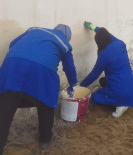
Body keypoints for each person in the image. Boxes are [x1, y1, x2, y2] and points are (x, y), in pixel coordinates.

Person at [0, 24, 78, 153]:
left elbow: (13, 43)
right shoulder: (63, 43)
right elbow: (69, 68)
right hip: (41, 74)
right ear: (67, 37)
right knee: (46, 104)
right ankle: (45, 140)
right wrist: (73, 84)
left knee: (5, 108)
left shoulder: (34, 30)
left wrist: (21, 56)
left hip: (12, 68)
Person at [80, 22, 133, 118]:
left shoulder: (104, 54)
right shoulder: (120, 44)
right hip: (131, 88)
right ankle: (122, 100)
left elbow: (94, 74)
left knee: (95, 98)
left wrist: (81, 86)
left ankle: (120, 105)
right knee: (102, 81)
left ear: (99, 41)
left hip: (120, 91)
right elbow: (110, 36)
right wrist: (95, 28)